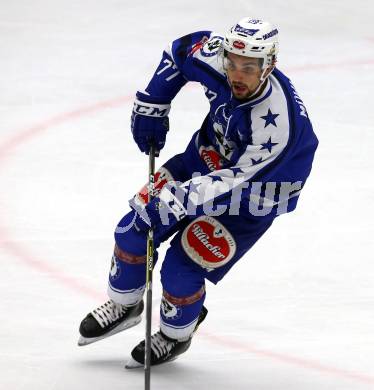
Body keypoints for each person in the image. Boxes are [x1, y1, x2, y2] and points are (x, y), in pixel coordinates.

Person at [78, 17, 318, 368]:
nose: (237, 74)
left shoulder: (277, 126)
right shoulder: (217, 57)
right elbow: (179, 52)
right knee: (133, 229)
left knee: (181, 269)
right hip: (203, 160)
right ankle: (125, 304)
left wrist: (175, 200)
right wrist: (153, 102)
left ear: (269, 65)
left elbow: (237, 182)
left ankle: (175, 335)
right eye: (233, 63)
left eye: (249, 68)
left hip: (255, 195)